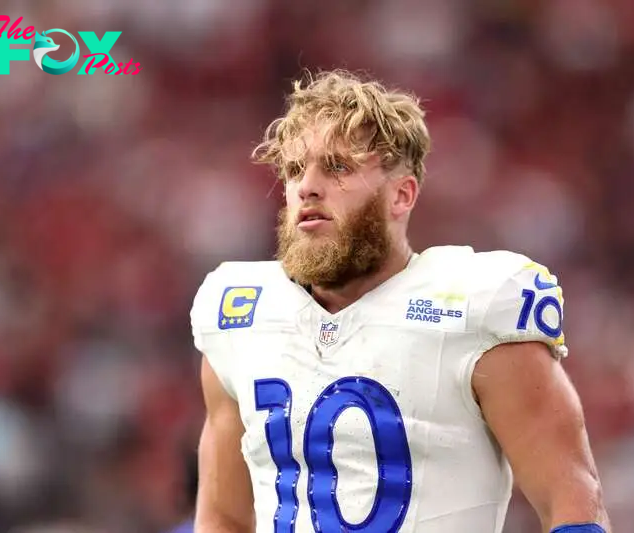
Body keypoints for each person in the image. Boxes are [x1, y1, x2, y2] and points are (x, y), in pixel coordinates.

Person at [190, 69, 610, 533]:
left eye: (338, 167)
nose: (306, 186)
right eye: (294, 170)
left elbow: (572, 506)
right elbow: (223, 517)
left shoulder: (475, 310)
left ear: (401, 195)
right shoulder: (241, 318)